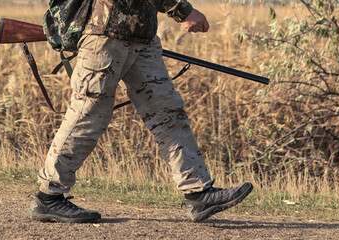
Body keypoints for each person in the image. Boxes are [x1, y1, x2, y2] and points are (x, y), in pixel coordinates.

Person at [28, 0, 253, 223]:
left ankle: (197, 192)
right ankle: (49, 196)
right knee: (87, 115)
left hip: (142, 37)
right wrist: (181, 10)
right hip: (106, 34)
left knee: (168, 112)